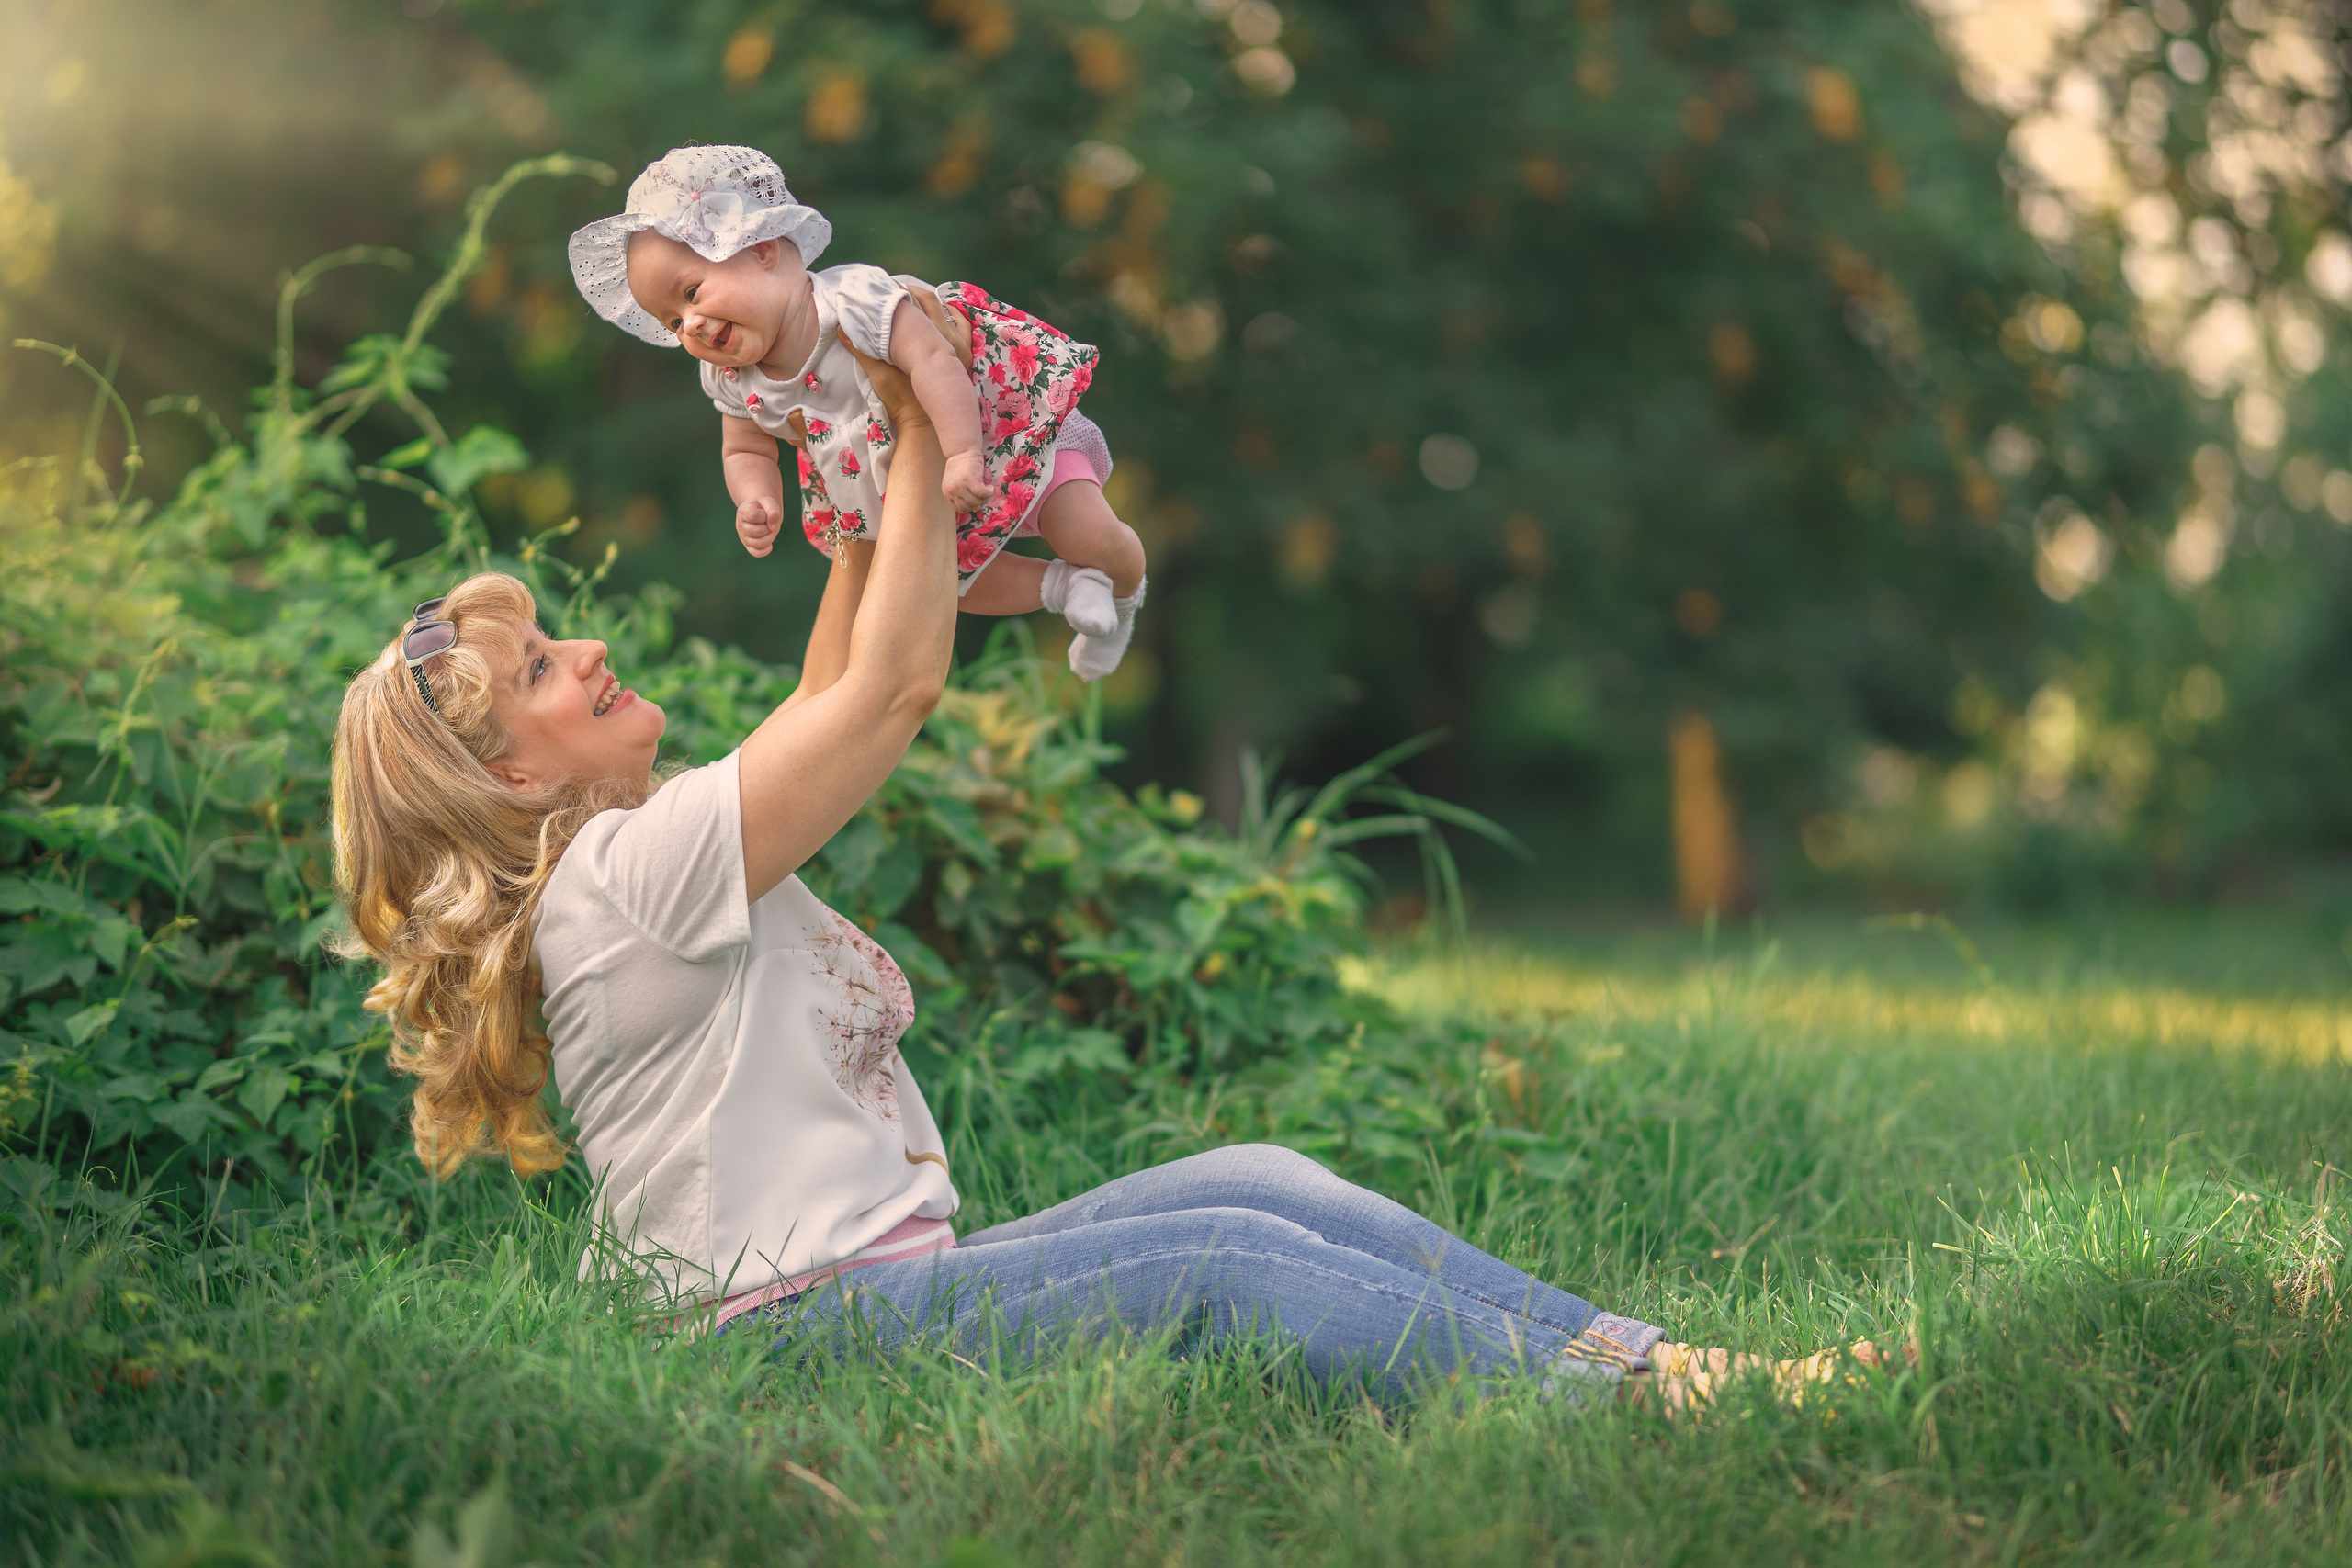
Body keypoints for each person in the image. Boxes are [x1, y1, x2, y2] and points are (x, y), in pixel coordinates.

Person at [332, 342, 1853, 1411]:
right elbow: (885, 696)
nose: (587, 649)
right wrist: (916, 409)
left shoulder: (631, 861)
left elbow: (827, 691)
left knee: (1254, 1180)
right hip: (788, 1337)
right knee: (1222, 1262)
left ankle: (1653, 1358)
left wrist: (865, 442)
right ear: (508, 778)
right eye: (542, 668)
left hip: (853, 1295)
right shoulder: (620, 875)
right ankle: (1633, 1403)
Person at [567, 144, 1148, 682]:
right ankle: (1064, 588)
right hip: (906, 495)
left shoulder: (851, 301)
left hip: (999, 432)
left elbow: (934, 362)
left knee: (1085, 530)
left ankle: (1124, 594)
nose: (690, 325)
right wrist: (755, 499)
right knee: (946, 584)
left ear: (761, 249)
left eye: (692, 294)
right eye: (673, 322)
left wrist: (963, 453)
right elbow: (744, 448)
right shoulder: (730, 378)